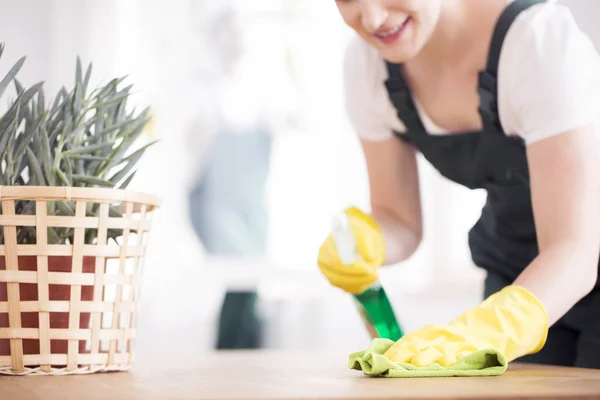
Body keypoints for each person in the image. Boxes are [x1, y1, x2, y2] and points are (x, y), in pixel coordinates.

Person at [318, 0, 600, 368]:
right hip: (518, 275)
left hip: (569, 265)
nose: (371, 18)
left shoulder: (536, 42)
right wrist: (366, 240)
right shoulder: (370, 67)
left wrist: (494, 329)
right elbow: (400, 218)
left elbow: (574, 249)